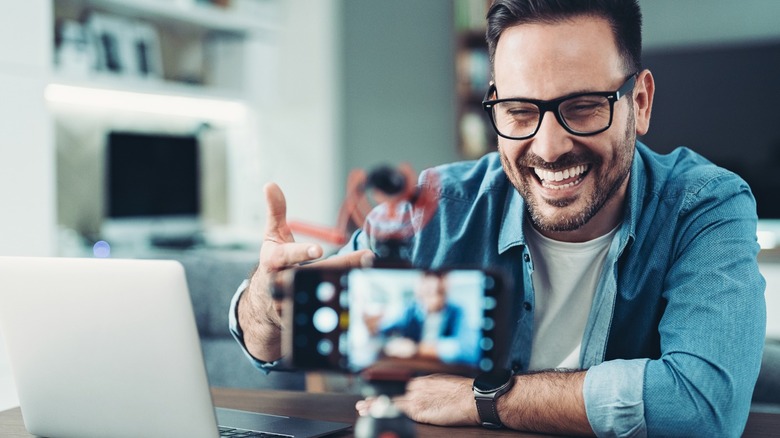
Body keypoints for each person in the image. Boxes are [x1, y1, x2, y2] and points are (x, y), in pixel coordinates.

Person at [228, 0, 766, 435]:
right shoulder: (434, 208)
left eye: (582, 107)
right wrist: (268, 304)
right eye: (520, 112)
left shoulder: (704, 207)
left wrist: (483, 399)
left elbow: (702, 405)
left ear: (640, 102)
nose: (550, 147)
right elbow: (275, 347)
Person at [364, 271, 477, 366]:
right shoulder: (409, 310)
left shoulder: (457, 311)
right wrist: (374, 327)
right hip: (415, 372)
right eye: (427, 277)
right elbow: (383, 330)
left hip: (447, 374)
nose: (434, 283)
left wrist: (417, 349)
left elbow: (468, 351)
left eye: (439, 276)